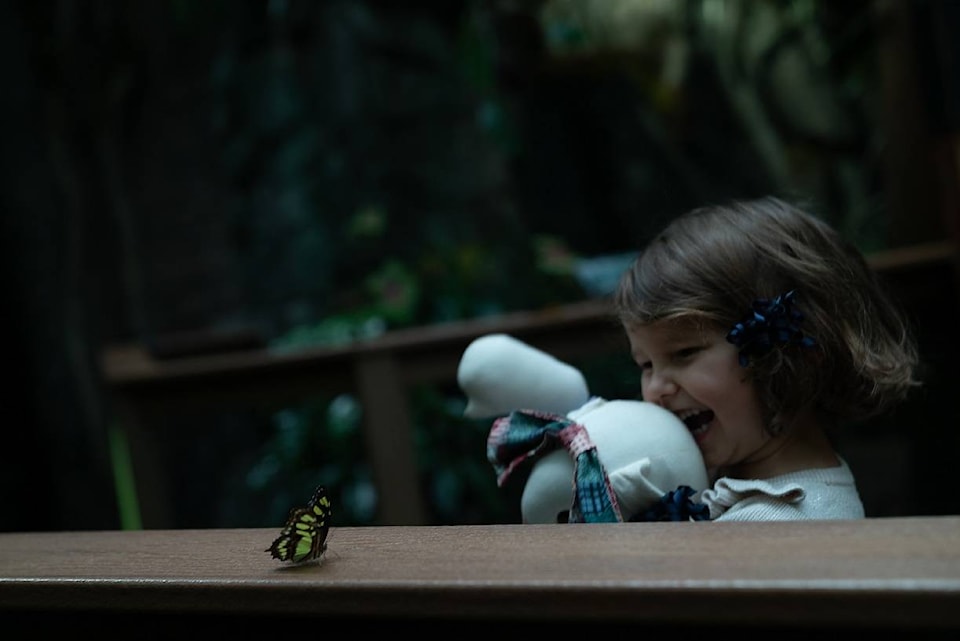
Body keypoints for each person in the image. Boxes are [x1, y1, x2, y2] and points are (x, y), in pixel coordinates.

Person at [613, 196, 919, 520]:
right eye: (646, 365)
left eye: (684, 353)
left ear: (787, 351)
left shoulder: (780, 522)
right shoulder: (720, 481)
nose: (657, 388)